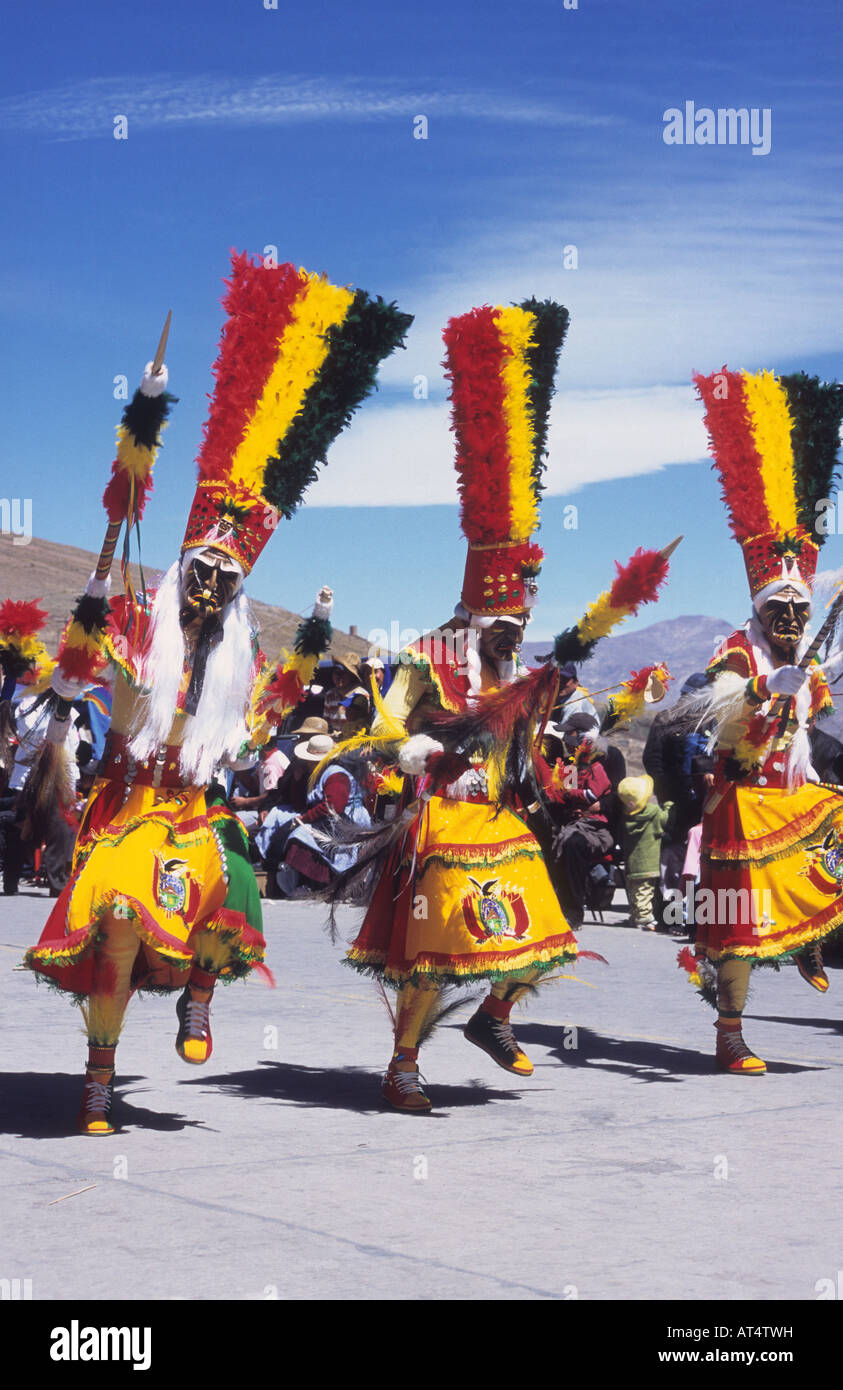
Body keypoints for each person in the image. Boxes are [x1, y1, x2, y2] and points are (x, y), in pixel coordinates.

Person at [23, 252, 412, 1133]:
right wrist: (142, 425)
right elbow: (75, 676)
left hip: (196, 813)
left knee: (233, 877)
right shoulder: (135, 628)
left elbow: (287, 695)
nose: (208, 590)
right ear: (179, 575)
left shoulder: (234, 675)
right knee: (119, 921)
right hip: (125, 811)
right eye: (199, 573)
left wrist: (315, 635)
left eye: (224, 583)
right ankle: (98, 1077)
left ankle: (201, 995)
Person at [681, 366, 843, 1074]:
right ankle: (730, 1032)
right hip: (740, 798)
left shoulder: (805, 656)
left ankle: (809, 937)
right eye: (778, 611)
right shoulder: (734, 650)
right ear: (757, 608)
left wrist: (810, 684)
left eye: (799, 612)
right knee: (736, 924)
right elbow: (716, 715)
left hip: (792, 791)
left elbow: (822, 724)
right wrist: (758, 692)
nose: (789, 621)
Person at [617, 775, 675, 930]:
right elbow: (665, 819)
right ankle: (644, 918)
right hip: (649, 863)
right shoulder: (654, 812)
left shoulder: (626, 815)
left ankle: (635, 914)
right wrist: (668, 806)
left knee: (634, 891)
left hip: (632, 863)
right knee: (645, 892)